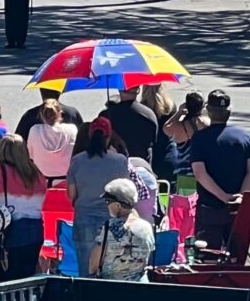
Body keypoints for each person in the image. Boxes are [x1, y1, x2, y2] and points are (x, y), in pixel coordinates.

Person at [0, 134, 46, 282]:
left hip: (7, 235)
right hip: (35, 232)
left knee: (0, 279)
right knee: (26, 279)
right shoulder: (36, 174)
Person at [67, 117, 130, 275]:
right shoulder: (120, 161)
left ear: (90, 135)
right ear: (109, 136)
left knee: (85, 268)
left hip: (84, 218)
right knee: (111, 268)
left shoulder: (77, 160)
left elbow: (71, 194)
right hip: (112, 220)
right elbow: (125, 192)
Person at [190, 89, 250, 249]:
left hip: (210, 208)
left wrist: (224, 197)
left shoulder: (199, 139)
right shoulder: (245, 137)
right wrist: (240, 197)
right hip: (240, 211)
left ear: (208, 111)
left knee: (207, 257)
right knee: (237, 258)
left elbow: (200, 173)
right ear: (229, 111)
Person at [89, 178, 155, 281]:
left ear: (117, 205)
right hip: (140, 287)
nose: (107, 205)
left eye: (108, 202)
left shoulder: (108, 227)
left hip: (112, 287)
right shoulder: (147, 227)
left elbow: (93, 265)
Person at [100, 86, 158, 164]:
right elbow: (154, 142)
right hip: (143, 167)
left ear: (119, 89)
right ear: (138, 90)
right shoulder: (149, 114)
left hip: (114, 167)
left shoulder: (106, 116)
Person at [26, 99, 77, 183]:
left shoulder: (34, 130)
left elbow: (30, 155)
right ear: (60, 113)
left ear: (42, 115)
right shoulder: (72, 129)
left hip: (42, 181)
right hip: (66, 182)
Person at [15, 89, 83, 142]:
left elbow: (17, 142)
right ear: (60, 92)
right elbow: (83, 140)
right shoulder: (72, 113)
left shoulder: (29, 115)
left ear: (41, 92)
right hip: (70, 160)